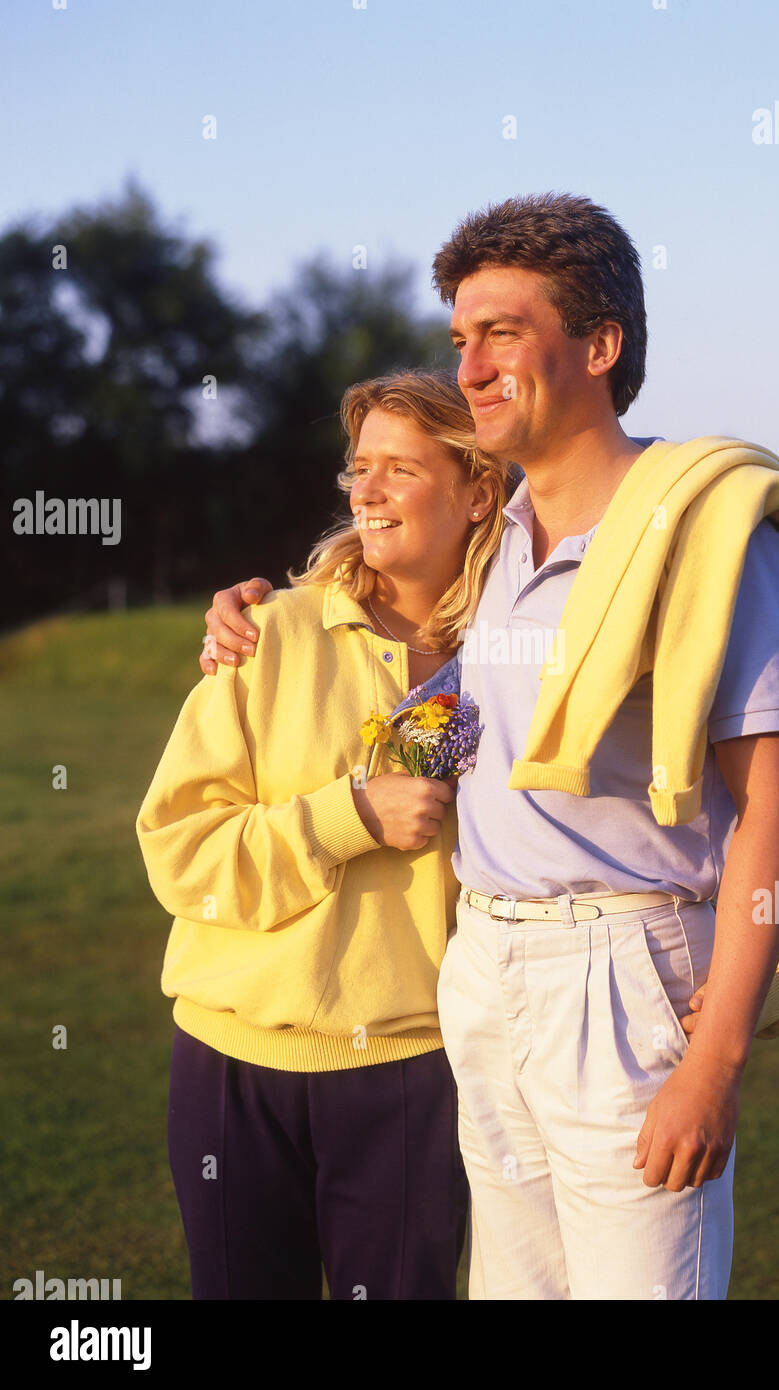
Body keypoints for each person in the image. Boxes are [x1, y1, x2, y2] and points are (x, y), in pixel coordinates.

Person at [204, 193, 779, 1300]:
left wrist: (715, 1059)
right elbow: (389, 574)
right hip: (484, 969)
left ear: (599, 345)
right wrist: (255, 604)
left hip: (623, 974)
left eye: (502, 332)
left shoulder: (700, 536)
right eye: (460, 340)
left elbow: (773, 804)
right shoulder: (496, 545)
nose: (472, 366)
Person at [136, 369, 511, 1300]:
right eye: (359, 468)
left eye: (401, 470)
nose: (365, 492)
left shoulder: (517, 660)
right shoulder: (268, 635)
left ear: (479, 491)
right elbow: (179, 848)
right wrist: (351, 816)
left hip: (414, 1072)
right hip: (233, 1064)